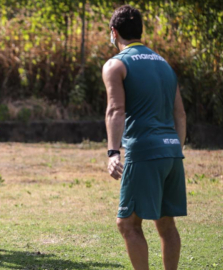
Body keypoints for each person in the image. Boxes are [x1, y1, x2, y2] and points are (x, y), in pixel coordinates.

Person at [102, 5, 187, 270]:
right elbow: (180, 115)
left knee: (127, 223)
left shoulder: (116, 64)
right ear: (140, 31)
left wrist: (113, 152)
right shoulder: (164, 63)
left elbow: (116, 110)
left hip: (144, 151)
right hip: (172, 152)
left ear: (114, 32)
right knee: (165, 222)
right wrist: (174, 151)